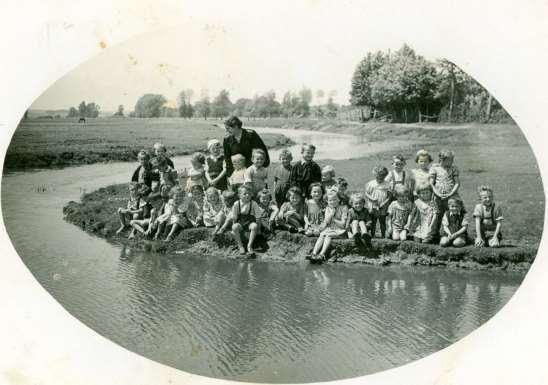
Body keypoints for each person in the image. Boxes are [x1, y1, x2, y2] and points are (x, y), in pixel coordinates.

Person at [310, 191, 349, 262]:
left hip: (340, 230)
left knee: (328, 235)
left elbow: (343, 225)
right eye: (330, 200)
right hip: (330, 229)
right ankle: (314, 253)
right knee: (322, 235)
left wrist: (334, 219)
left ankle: (322, 254)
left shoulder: (343, 208)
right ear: (327, 201)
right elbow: (326, 222)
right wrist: (331, 214)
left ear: (339, 200)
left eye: (334, 199)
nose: (332, 202)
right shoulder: (328, 208)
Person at [231, 185, 263, 256]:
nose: (247, 195)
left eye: (249, 193)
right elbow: (234, 217)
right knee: (234, 227)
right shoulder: (236, 204)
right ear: (239, 195)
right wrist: (234, 229)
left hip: (250, 223)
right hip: (240, 223)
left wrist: (259, 229)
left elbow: (258, 217)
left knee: (254, 226)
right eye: (245, 194)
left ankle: (249, 245)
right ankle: (240, 246)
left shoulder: (253, 203)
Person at [429, 149, 460, 220]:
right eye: (450, 159)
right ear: (443, 159)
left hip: (452, 195)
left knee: (454, 212)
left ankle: (454, 228)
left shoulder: (453, 169)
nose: (452, 161)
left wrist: (451, 194)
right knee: (437, 214)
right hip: (438, 196)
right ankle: (435, 229)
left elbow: (457, 183)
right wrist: (438, 194)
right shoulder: (435, 168)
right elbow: (431, 184)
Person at [365, 165, 391, 238]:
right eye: (378, 176)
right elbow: (367, 193)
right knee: (373, 221)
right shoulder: (371, 183)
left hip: (383, 206)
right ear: (375, 175)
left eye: (382, 177)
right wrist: (372, 199)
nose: (380, 178)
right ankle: (373, 235)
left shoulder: (387, 184)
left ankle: (383, 235)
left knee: (382, 221)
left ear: (385, 176)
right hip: (373, 205)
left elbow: (389, 196)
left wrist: (384, 203)